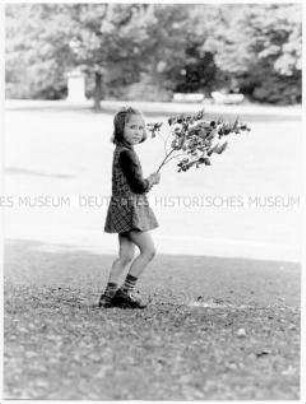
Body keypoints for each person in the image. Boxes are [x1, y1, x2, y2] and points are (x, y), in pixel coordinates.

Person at [99, 106, 160, 309]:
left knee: (125, 255)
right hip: (129, 211)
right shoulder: (128, 154)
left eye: (141, 128)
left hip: (120, 208)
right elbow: (138, 186)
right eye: (132, 127)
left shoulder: (121, 151)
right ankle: (125, 292)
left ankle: (108, 297)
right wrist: (152, 180)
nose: (138, 131)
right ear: (120, 129)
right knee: (149, 251)